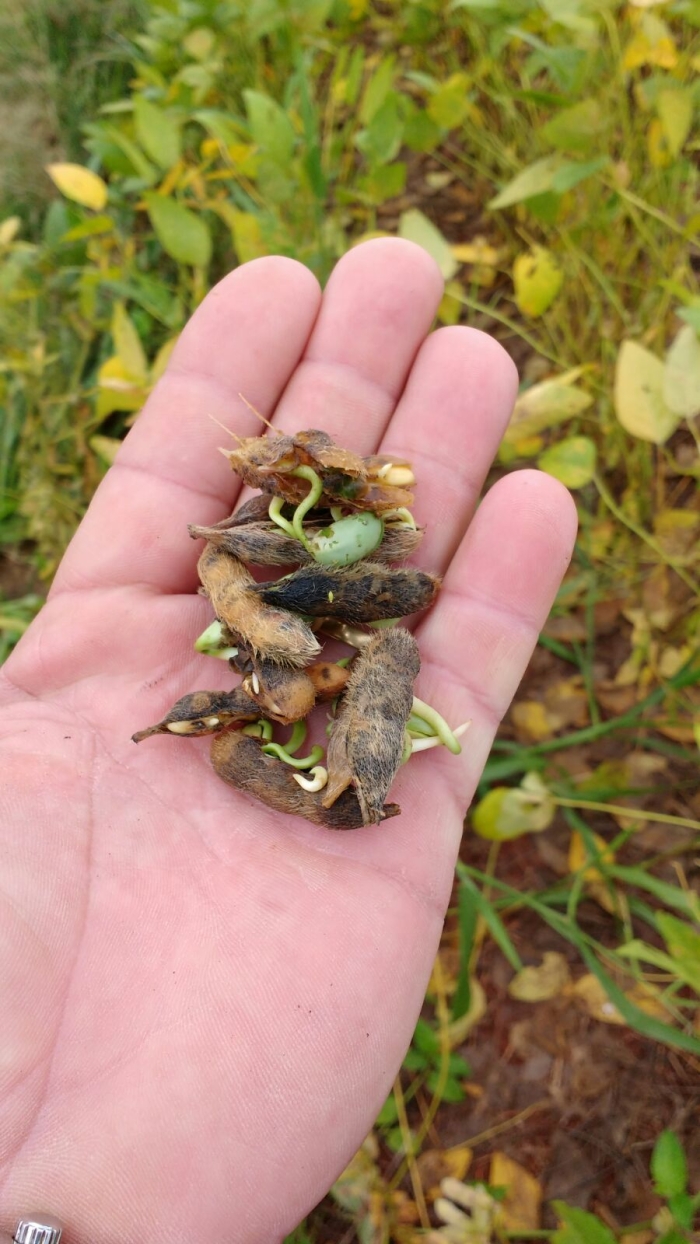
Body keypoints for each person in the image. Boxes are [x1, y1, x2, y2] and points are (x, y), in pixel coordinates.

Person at [0, 240, 577, 1244]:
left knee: (359, 657)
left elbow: (359, 600)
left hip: (320, 629)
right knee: (295, 668)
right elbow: (265, 612)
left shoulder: (347, 617)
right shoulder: (259, 612)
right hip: (289, 626)